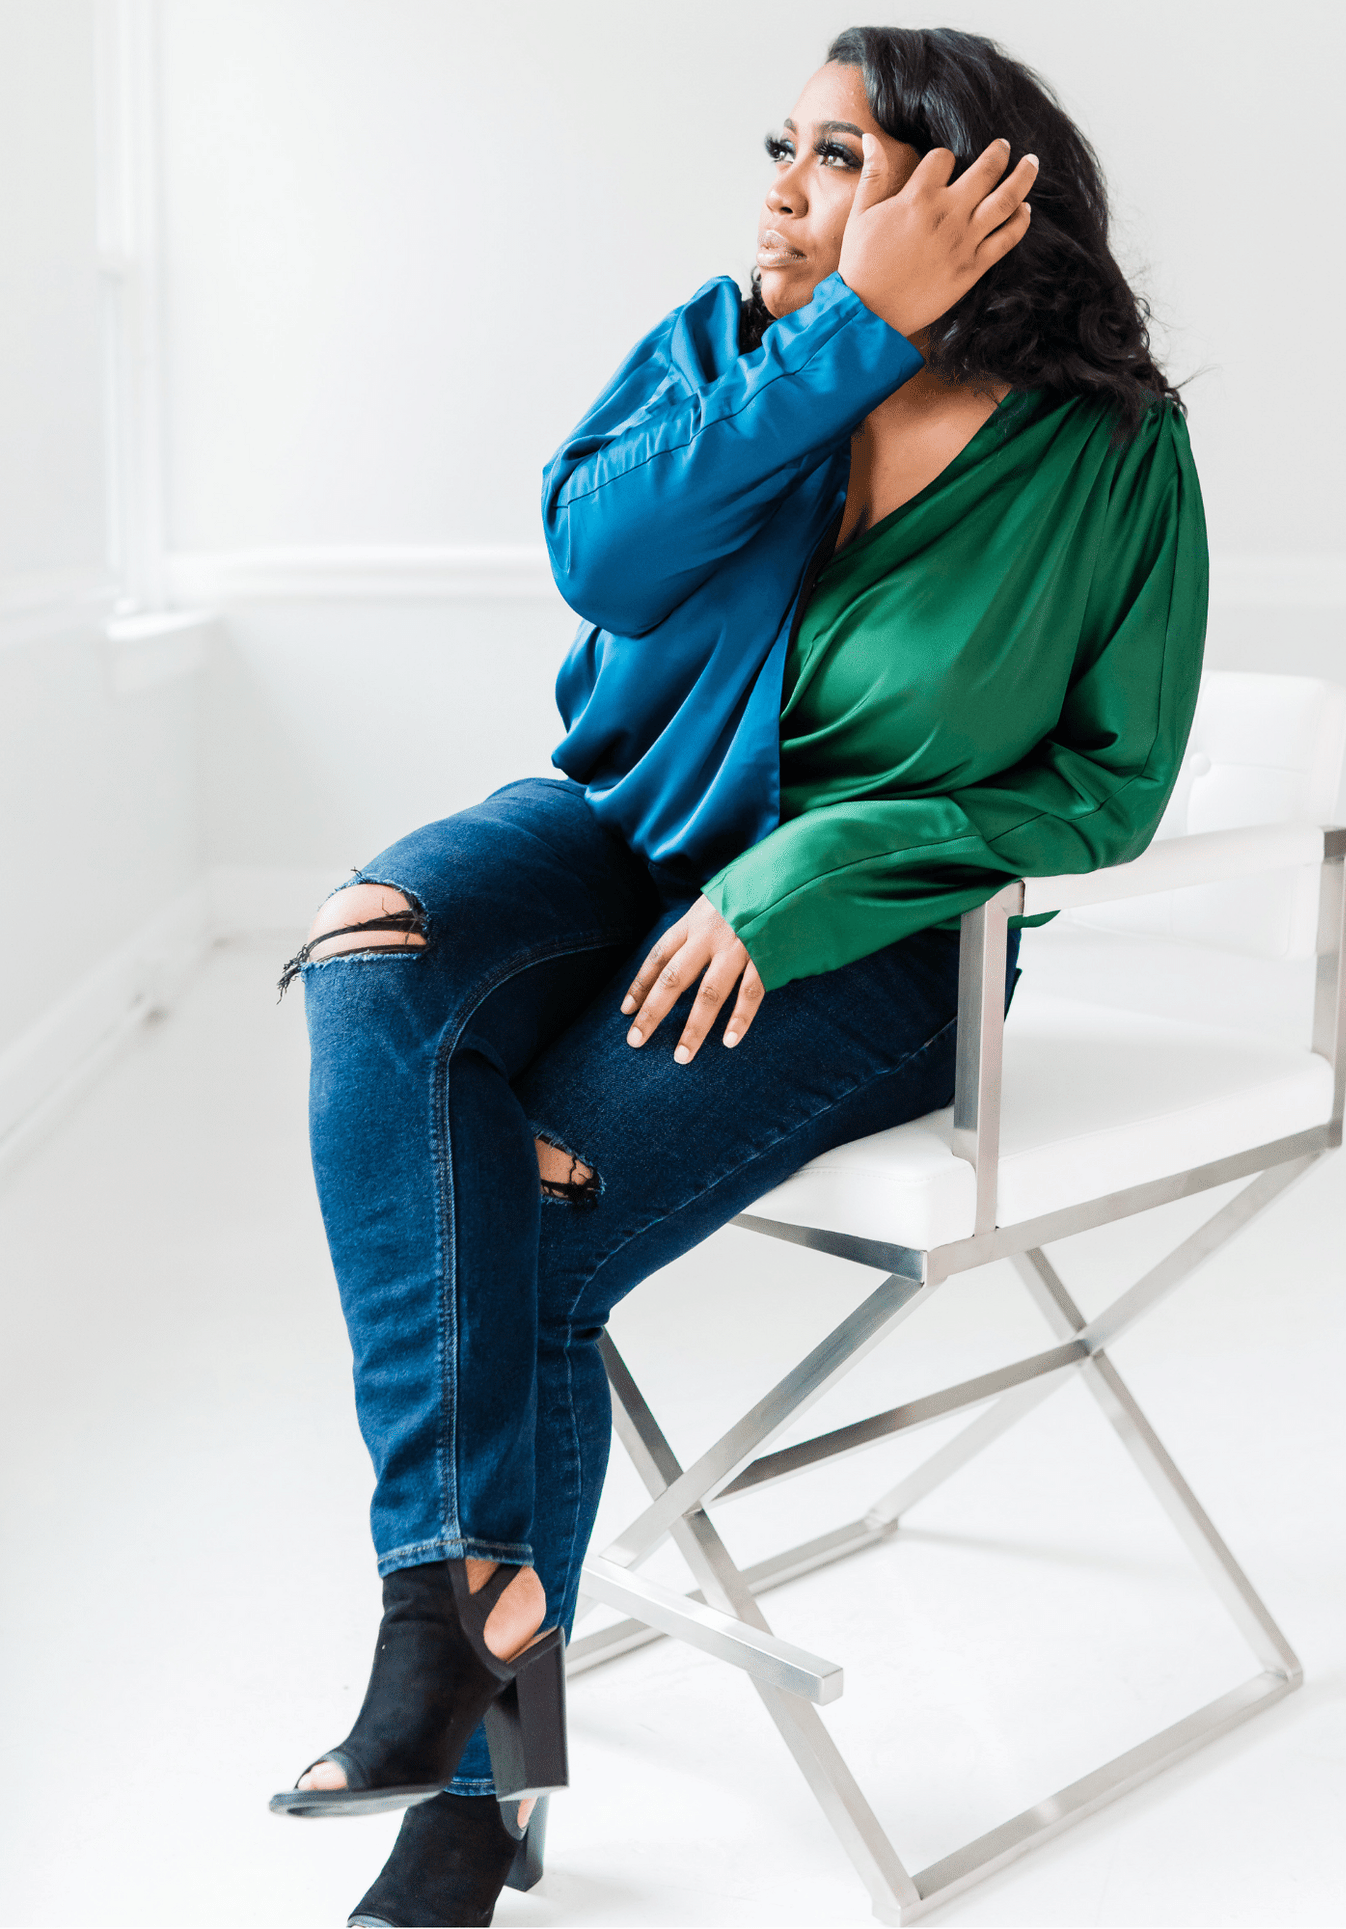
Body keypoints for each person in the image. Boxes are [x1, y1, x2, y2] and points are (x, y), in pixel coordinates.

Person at [271, 23, 1209, 1927]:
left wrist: (822, 862)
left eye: (839, 157)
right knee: (369, 956)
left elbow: (1105, 789)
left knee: (531, 1206)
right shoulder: (731, 348)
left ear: (967, 197)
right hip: (615, 834)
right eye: (778, 145)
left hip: (875, 937)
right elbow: (601, 562)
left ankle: (466, 1788)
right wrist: (842, 339)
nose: (783, 186)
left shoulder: (1112, 450)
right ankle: (450, 1618)